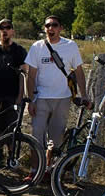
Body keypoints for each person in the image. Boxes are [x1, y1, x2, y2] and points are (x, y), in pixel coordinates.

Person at [25, 15, 91, 159]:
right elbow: (31, 76)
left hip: (63, 99)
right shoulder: (37, 47)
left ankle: (50, 170)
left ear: (61, 28)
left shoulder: (70, 46)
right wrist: (30, 100)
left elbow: (79, 72)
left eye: (54, 25)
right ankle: (35, 171)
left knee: (56, 139)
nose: (51, 28)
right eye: (47, 25)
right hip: (41, 98)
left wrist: (84, 94)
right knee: (36, 136)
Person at [0, 19, 27, 138]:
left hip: (13, 96)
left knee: (12, 129)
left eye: (8, 28)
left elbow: (23, 75)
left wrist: (20, 96)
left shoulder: (20, 51)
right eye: (2, 28)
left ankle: (10, 155)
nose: (5, 31)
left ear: (13, 31)